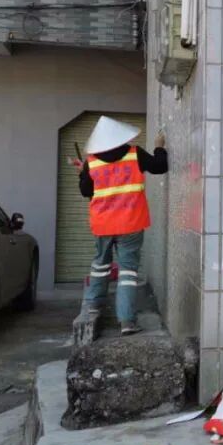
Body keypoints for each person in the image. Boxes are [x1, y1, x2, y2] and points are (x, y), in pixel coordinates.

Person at [75, 116, 168, 335]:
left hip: (103, 224)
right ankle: (126, 321)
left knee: (100, 264)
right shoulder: (135, 154)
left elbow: (86, 191)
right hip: (131, 223)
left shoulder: (91, 162)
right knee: (128, 271)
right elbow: (160, 166)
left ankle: (94, 304)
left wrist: (83, 174)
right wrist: (159, 147)